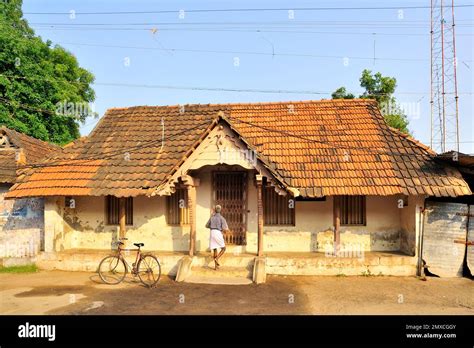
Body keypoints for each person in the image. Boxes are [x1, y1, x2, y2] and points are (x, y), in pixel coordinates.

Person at [205, 205, 228, 270]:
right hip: (218, 232)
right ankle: (217, 258)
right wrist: (223, 232)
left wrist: (212, 227)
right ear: (220, 210)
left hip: (212, 232)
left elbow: (206, 225)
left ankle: (216, 267)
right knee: (223, 248)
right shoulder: (222, 218)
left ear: (215, 210)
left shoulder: (211, 217)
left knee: (215, 249)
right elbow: (225, 228)